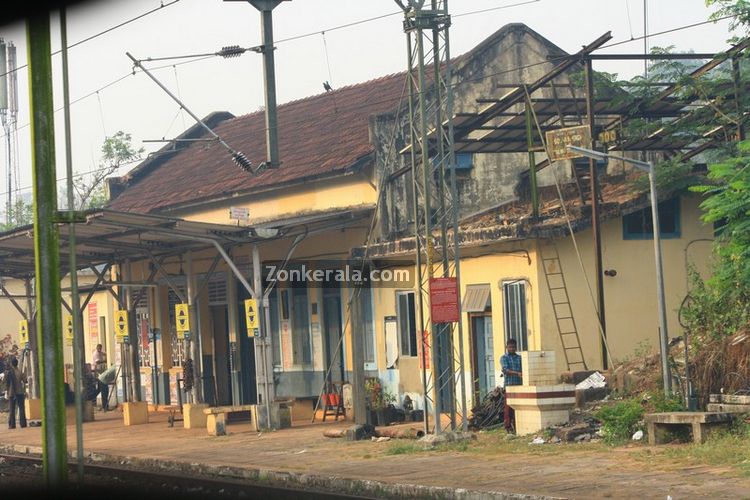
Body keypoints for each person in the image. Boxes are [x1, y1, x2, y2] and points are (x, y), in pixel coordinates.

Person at [500, 338, 522, 434]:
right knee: (508, 408)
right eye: (510, 347)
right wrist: (517, 373)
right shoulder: (504, 358)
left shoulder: (519, 358)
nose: (512, 349)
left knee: (518, 407)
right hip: (509, 386)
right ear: (507, 347)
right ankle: (508, 427)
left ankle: (517, 426)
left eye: (513, 347)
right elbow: (505, 370)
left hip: (519, 386)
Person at [5, 357, 28, 429]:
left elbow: (6, 383)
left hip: (12, 393)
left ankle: (12, 425)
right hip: (19, 392)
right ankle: (23, 424)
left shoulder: (9, 372)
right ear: (17, 364)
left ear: (12, 364)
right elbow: (25, 380)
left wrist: (7, 391)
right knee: (21, 408)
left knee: (12, 409)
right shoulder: (20, 371)